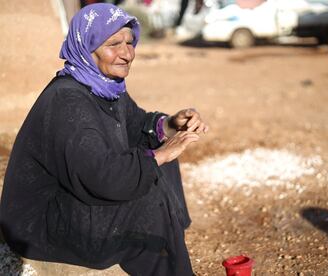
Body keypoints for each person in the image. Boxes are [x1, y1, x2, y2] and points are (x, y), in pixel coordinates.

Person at [0, 3, 208, 276]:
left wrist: (170, 125)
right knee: (148, 193)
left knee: (157, 154)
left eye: (130, 42)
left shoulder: (106, 86)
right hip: (40, 222)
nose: (126, 54)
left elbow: (137, 125)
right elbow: (100, 175)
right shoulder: (67, 99)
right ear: (87, 48)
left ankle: (168, 246)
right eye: (113, 44)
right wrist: (160, 155)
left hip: (74, 195)